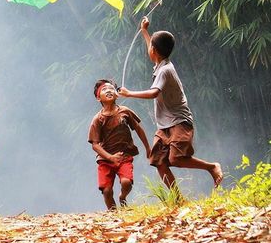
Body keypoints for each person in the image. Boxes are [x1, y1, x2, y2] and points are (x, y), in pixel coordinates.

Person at [118, 17, 222, 198]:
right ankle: (178, 199)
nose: (149, 49)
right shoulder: (160, 63)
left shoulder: (165, 70)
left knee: (176, 158)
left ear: (154, 51)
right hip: (165, 125)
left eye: (151, 47)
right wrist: (144, 31)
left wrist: (129, 94)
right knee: (159, 162)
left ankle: (211, 167)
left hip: (179, 122)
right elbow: (153, 47)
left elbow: (153, 93)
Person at [88, 79, 151, 210]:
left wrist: (148, 148)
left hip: (124, 155)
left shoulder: (125, 111)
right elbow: (95, 144)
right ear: (98, 98)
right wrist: (110, 157)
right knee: (106, 191)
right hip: (105, 159)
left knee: (126, 182)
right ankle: (114, 215)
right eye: (104, 90)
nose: (109, 91)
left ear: (117, 94)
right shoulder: (97, 119)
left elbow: (138, 129)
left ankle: (123, 197)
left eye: (111, 89)